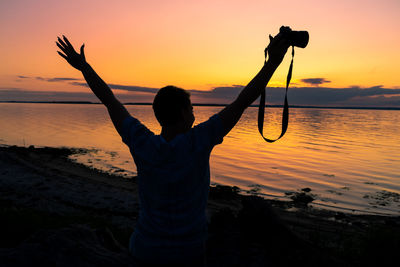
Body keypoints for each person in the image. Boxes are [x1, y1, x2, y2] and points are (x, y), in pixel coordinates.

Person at [56, 32, 289, 266]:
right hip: (189, 253)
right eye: (191, 109)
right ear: (182, 114)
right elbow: (243, 101)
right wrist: (274, 62)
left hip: (145, 250)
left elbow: (109, 100)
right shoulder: (200, 140)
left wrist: (84, 67)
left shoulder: (142, 142)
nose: (195, 114)